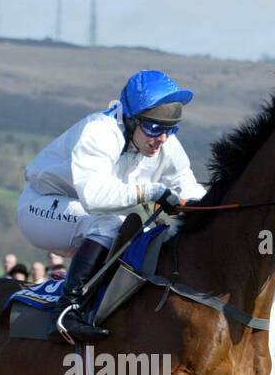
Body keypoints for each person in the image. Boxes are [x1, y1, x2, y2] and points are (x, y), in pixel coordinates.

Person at [17, 69, 207, 343]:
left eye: (170, 129)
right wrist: (153, 190)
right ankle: (67, 311)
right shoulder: (99, 131)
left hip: (83, 217)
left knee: (145, 232)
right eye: (153, 128)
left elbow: (188, 188)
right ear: (130, 120)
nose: (162, 139)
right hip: (41, 208)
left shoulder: (164, 143)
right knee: (109, 222)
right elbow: (95, 198)